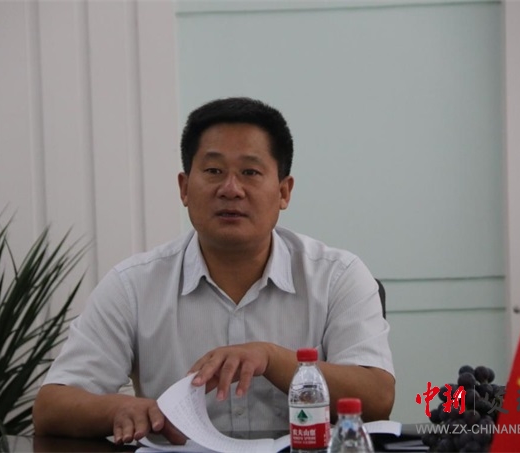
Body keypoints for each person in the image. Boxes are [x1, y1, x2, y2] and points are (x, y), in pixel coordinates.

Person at [32, 97, 395, 445]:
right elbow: (51, 408)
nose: (231, 189)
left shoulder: (337, 276)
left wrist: (273, 359)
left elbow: (378, 397)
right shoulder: (134, 286)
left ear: (284, 192)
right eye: (213, 171)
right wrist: (120, 409)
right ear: (184, 188)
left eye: (250, 172)